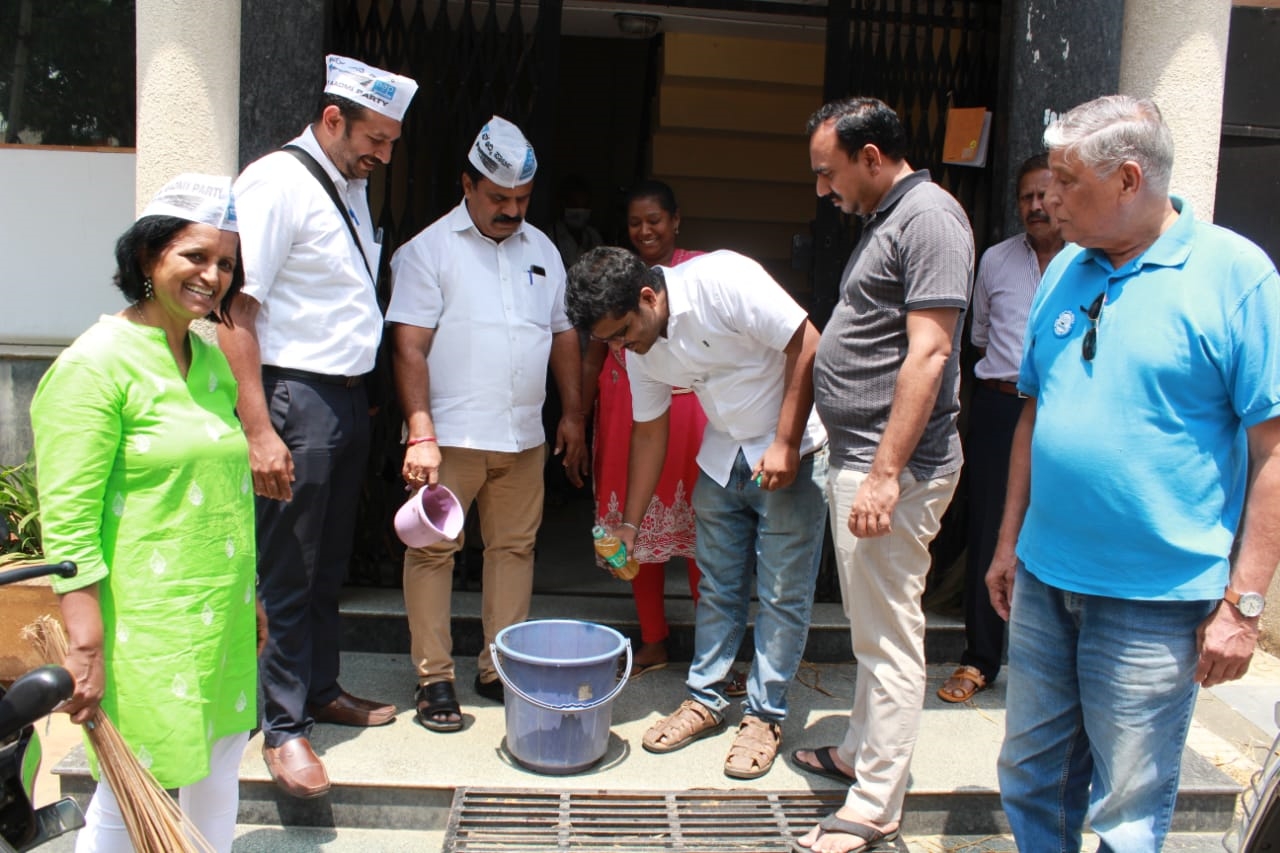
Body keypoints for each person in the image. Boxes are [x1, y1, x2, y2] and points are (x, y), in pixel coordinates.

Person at [985, 95, 1280, 852]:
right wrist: (1007, 543)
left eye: (1065, 181)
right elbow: (1034, 415)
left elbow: (1272, 449)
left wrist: (1244, 606)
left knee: (1127, 805)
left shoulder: (1235, 275)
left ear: (1127, 179)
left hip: (1156, 601)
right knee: (1030, 773)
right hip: (1047, 582)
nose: (1048, 199)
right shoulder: (1065, 272)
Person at [32, 175, 257, 852]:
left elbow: (225, 498)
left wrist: (254, 599)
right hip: (144, 625)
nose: (211, 275)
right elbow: (68, 523)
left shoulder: (211, 361)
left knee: (218, 775)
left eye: (224, 263)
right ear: (146, 258)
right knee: (134, 789)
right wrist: (85, 644)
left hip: (220, 613)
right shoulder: (95, 365)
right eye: (194, 256)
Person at [220, 55, 418, 799]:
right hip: (292, 397)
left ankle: (322, 688)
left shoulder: (351, 185)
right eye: (376, 138)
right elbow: (237, 311)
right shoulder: (275, 181)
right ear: (333, 119)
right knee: (290, 569)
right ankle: (282, 728)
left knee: (329, 561)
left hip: (341, 398)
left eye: (393, 142)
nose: (384, 155)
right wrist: (258, 428)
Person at [566, 246, 829, 781]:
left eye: (622, 333)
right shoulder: (637, 345)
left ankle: (763, 716)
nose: (621, 348)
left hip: (791, 453)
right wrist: (631, 525)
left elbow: (809, 344)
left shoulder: (723, 279)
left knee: (782, 593)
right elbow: (650, 429)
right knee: (718, 587)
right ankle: (705, 700)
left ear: (647, 296)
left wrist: (786, 441)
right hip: (720, 456)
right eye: (608, 341)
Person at [792, 97, 973, 853]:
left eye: (827, 172)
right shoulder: (888, 218)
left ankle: (874, 802)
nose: (822, 189)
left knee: (889, 636)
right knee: (871, 628)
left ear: (871, 157)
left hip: (889, 465)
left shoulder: (928, 216)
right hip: (861, 453)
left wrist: (883, 472)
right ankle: (860, 751)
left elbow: (928, 354)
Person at [389, 116, 587, 734]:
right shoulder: (428, 251)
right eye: (499, 198)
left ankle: (499, 665)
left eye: (522, 200)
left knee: (514, 549)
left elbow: (561, 335)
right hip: (448, 437)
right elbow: (408, 347)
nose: (512, 211)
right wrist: (420, 430)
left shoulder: (544, 250)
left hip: (523, 436)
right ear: (467, 185)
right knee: (433, 554)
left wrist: (574, 414)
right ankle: (435, 677)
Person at [581, 179, 745, 693]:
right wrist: (574, 413)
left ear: (676, 220)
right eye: (635, 222)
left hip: (693, 414)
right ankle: (652, 637)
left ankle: (712, 650)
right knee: (637, 525)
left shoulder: (699, 272)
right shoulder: (613, 284)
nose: (645, 230)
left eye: (655, 219)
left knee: (702, 533)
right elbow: (591, 352)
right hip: (629, 412)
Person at [937, 153, 1063, 704]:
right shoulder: (994, 260)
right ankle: (979, 659)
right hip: (999, 408)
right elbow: (981, 336)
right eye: (1026, 197)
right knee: (992, 529)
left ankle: (1048, 667)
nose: (1035, 206)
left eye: (1045, 195)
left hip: (1065, 413)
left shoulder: (1092, 261)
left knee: (1060, 528)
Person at [551, 173, 603, 269]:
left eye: (584, 206)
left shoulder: (594, 236)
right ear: (563, 204)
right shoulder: (550, 236)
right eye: (574, 204)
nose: (579, 211)